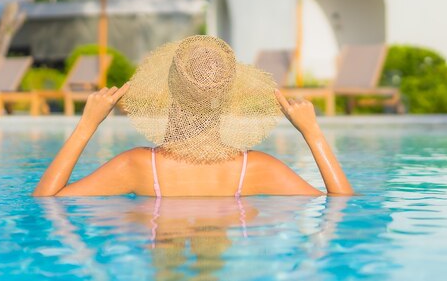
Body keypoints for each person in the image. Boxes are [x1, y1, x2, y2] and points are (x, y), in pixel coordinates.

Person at [33, 35, 354, 197]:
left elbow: (47, 199)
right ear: (230, 99)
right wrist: (312, 133)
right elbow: (341, 202)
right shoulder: (256, 168)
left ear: (167, 96)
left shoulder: (138, 166)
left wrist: (87, 125)